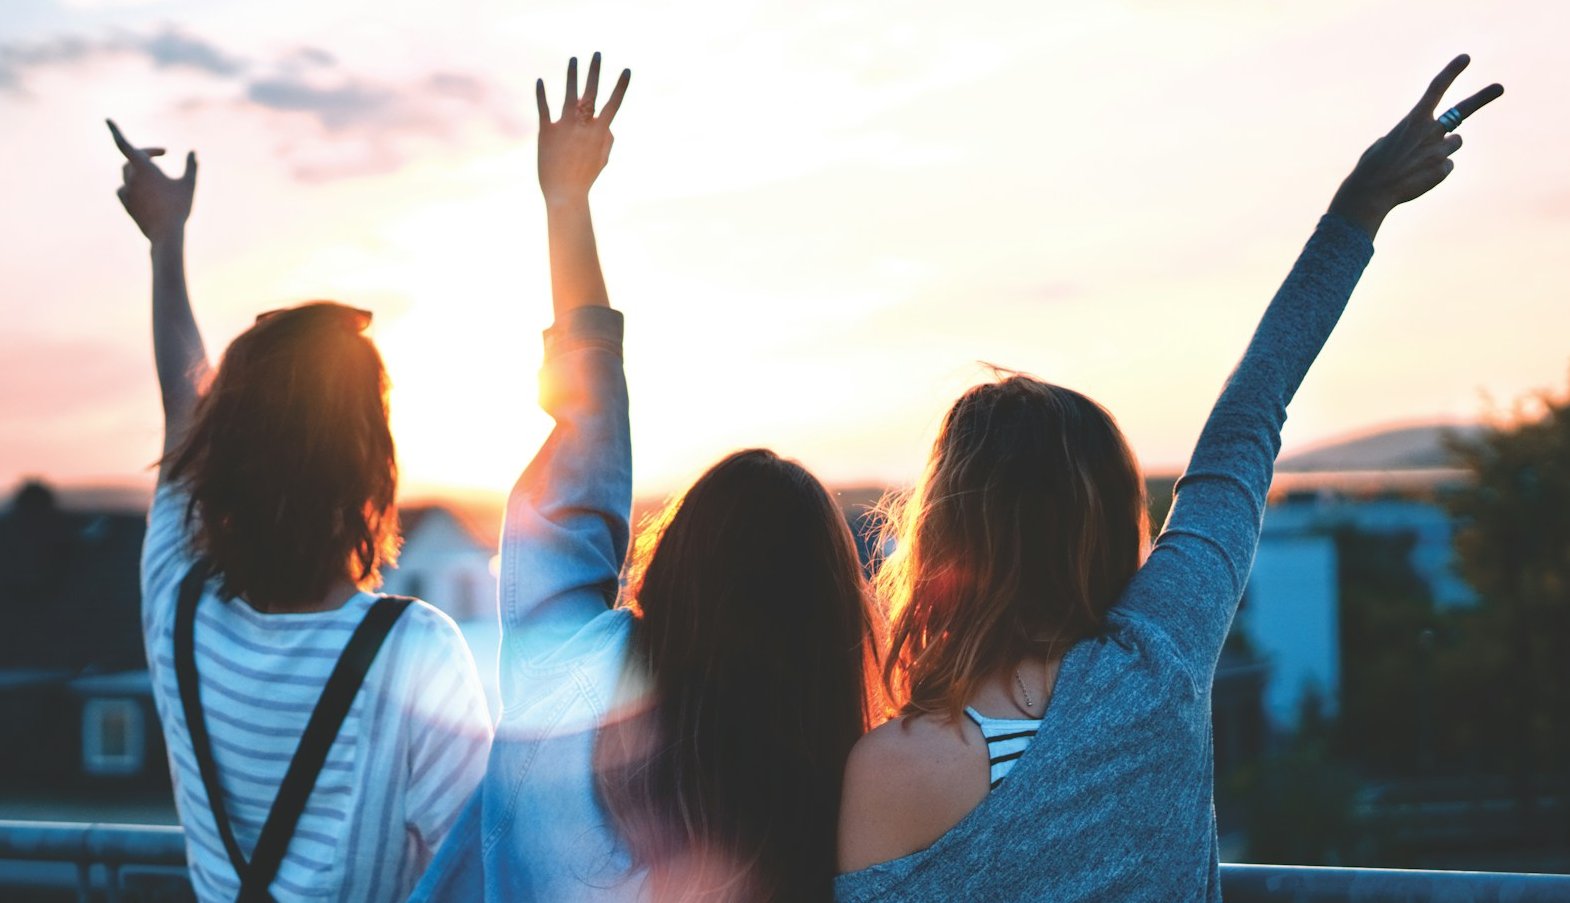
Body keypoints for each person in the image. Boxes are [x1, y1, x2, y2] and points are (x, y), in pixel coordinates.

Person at [835, 56, 1503, 902]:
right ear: (1112, 520)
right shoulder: (1160, 658)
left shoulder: (887, 768)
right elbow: (1248, 418)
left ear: (944, 532)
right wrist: (1359, 207)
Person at [412, 54, 885, 903]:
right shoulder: (826, 805)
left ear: (679, 566)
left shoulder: (565, 676)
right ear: (826, 620)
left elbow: (586, 445)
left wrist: (566, 201)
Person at [113, 120, 493, 902]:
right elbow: (480, 875)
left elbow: (181, 404)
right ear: (368, 466)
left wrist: (165, 242)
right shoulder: (415, 653)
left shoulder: (174, 604)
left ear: (218, 458)